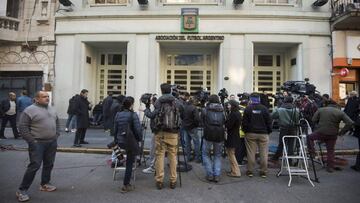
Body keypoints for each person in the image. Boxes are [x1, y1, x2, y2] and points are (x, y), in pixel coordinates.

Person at [16, 91, 60, 202]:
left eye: (48, 96)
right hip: (38, 143)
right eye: (44, 96)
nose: (47, 98)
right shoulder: (29, 110)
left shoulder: (51, 108)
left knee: (49, 164)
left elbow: (57, 122)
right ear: (37, 99)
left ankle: (44, 184)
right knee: (34, 165)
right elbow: (23, 127)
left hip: (51, 142)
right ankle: (22, 190)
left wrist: (56, 135)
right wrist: (32, 141)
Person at [144, 83, 183, 190]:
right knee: (173, 156)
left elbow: (152, 115)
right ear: (170, 90)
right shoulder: (176, 101)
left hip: (160, 133)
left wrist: (147, 108)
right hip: (173, 133)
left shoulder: (158, 101)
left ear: (161, 91)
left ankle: (159, 180)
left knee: (160, 156)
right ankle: (173, 180)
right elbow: (183, 111)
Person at [308, 100, 354, 173]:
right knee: (330, 151)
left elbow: (313, 120)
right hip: (333, 134)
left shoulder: (321, 110)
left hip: (321, 132)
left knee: (309, 137)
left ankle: (312, 152)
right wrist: (341, 132)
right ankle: (330, 167)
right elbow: (350, 123)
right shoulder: (340, 112)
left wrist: (320, 123)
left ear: (326, 104)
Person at [113, 96, 142, 193]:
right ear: (131, 105)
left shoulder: (118, 114)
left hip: (120, 141)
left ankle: (126, 182)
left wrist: (116, 140)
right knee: (130, 162)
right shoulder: (133, 115)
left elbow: (115, 129)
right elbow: (138, 130)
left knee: (128, 159)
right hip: (130, 141)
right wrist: (139, 139)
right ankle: (126, 184)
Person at [242, 94, 272, 178]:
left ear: (251, 99)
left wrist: (246, 131)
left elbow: (244, 122)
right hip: (263, 133)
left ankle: (250, 171)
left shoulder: (248, 109)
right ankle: (263, 171)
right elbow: (269, 122)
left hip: (250, 133)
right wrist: (268, 131)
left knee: (251, 152)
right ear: (258, 99)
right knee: (264, 153)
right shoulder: (264, 109)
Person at [202, 94, 225, 182]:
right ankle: (217, 175)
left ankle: (210, 174)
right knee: (217, 155)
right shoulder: (223, 110)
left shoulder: (205, 110)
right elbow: (225, 121)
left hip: (208, 133)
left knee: (205, 154)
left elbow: (202, 121)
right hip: (219, 134)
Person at [270, 96, 300, 164]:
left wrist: (275, 109)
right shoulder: (296, 110)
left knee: (281, 143)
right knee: (291, 145)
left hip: (284, 128)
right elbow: (298, 119)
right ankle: (290, 161)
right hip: (293, 128)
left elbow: (272, 116)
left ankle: (275, 158)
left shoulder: (280, 109)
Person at [181, 94, 201, 163]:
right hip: (192, 127)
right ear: (194, 101)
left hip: (186, 127)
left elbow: (182, 116)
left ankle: (188, 157)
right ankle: (197, 158)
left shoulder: (184, 107)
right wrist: (196, 125)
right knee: (196, 142)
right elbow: (197, 119)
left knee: (187, 142)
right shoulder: (194, 108)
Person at [225, 100, 241, 178]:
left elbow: (228, 125)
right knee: (231, 154)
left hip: (231, 136)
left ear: (233, 106)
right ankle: (233, 170)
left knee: (231, 154)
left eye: (229, 105)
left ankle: (236, 172)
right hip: (235, 135)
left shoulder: (233, 114)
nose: (228, 106)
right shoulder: (237, 113)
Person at [142, 95, 158, 174]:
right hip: (158, 131)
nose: (150, 102)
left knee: (153, 149)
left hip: (156, 131)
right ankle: (156, 165)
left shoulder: (157, 107)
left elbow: (151, 115)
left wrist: (146, 109)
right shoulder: (159, 106)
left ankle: (153, 167)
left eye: (151, 100)